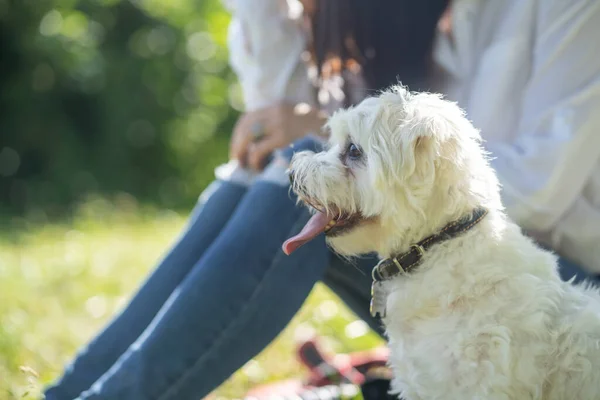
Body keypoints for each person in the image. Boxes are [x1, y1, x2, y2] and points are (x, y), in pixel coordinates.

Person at [45, 0, 600, 399]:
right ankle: (69, 393)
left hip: (544, 293)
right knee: (269, 174)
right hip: (432, 273)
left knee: (301, 168)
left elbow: (542, 186)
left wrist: (333, 138)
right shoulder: (393, 15)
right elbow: (274, 122)